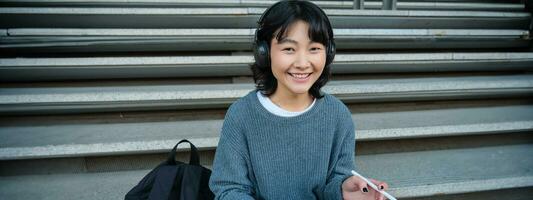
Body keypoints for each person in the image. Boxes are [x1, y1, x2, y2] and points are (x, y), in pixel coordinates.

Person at [209, 0, 389, 199]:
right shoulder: (241, 115)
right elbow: (229, 189)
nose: (303, 63)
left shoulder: (338, 115)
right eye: (289, 49)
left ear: (328, 53)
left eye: (314, 49)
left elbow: (335, 181)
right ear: (264, 52)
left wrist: (344, 190)